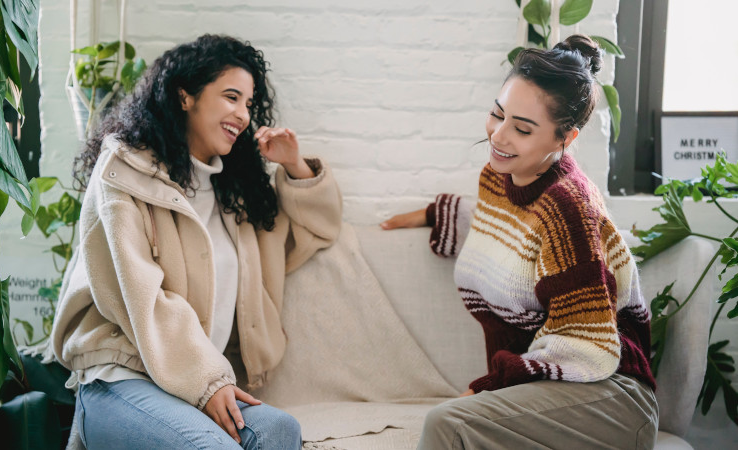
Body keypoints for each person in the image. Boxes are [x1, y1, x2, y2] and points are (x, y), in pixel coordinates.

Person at [51, 34, 342, 449]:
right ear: (185, 96)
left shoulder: (235, 197)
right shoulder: (124, 173)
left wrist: (294, 165)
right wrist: (207, 380)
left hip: (194, 383)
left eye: (248, 103)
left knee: (281, 431)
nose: (243, 114)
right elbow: (140, 297)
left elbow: (317, 231)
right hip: (122, 374)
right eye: (230, 97)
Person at [381, 35, 658, 449]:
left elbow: (583, 343)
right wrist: (433, 215)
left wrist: (490, 386)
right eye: (498, 114)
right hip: (550, 389)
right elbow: (509, 233)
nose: (499, 136)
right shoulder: (501, 175)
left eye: (523, 129)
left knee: (448, 424)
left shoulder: (569, 208)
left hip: (610, 397)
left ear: (566, 139)